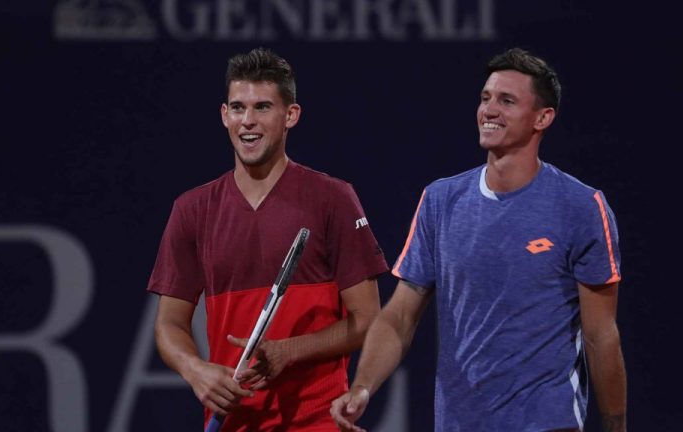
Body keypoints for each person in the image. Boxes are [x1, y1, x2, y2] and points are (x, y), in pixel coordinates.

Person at [331, 48, 627, 432]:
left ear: (543, 118)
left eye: (507, 101)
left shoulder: (581, 207)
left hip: (546, 421)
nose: (489, 110)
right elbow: (400, 315)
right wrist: (363, 387)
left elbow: (600, 334)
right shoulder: (440, 200)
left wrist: (616, 425)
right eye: (485, 98)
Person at [148, 48, 389, 431]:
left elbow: (368, 320)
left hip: (318, 421)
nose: (248, 121)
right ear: (224, 115)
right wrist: (196, 370)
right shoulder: (191, 209)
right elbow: (168, 324)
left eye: (262, 107)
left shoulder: (333, 199)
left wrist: (288, 352)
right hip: (233, 422)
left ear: (290, 115)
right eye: (238, 108)